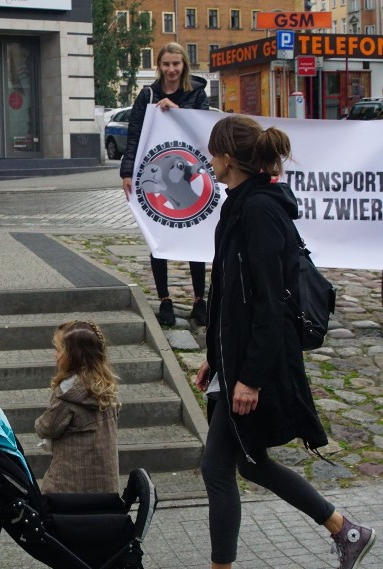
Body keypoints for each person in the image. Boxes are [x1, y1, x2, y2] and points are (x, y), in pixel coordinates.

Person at [194, 115, 377, 569]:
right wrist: (213, 359)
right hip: (234, 361)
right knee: (250, 464)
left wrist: (250, 379)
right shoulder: (237, 205)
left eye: (213, 151)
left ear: (230, 158)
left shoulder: (259, 211)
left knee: (217, 468)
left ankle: (224, 566)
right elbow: (228, 296)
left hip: (258, 365)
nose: (208, 159)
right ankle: (346, 530)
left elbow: (269, 302)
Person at [120, 42, 209, 327]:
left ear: (184, 65)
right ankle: (165, 299)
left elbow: (202, 129)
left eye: (176, 64)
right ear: (159, 66)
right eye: (167, 64)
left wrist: (179, 110)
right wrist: (127, 172)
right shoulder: (147, 94)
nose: (172, 70)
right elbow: (134, 135)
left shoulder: (196, 93)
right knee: (159, 236)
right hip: (155, 176)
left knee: (194, 236)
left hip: (189, 174)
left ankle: (199, 300)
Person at [34, 320, 120, 495]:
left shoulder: (68, 395)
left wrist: (38, 423)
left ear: (72, 356)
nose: (54, 354)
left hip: (69, 489)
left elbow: (46, 427)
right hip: (105, 488)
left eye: (58, 349)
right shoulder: (108, 390)